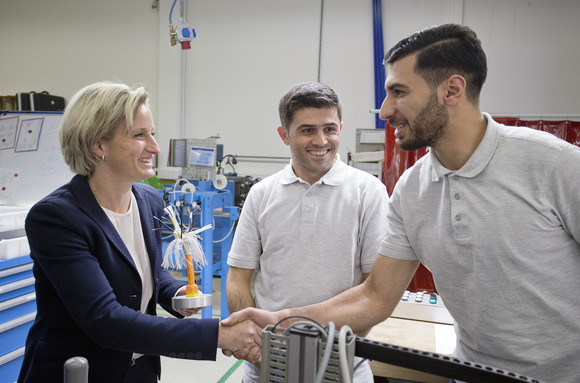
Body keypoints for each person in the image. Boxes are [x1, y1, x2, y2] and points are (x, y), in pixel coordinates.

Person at [223, 24, 580, 382]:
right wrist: (282, 322)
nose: (384, 110)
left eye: (398, 92)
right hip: (469, 371)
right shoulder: (412, 190)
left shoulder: (553, 164)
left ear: (451, 91)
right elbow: (375, 296)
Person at [18, 82, 261, 383]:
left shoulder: (149, 200)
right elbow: (104, 319)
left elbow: (147, 272)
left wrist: (174, 293)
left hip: (140, 370)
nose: (155, 148)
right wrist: (217, 335)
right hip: (79, 372)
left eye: (152, 133)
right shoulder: (57, 218)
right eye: (139, 135)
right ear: (98, 145)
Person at [225, 82, 388, 382]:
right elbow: (238, 279)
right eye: (307, 130)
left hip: (344, 366)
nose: (321, 140)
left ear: (340, 127)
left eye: (330, 129)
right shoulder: (261, 195)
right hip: (267, 365)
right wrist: (258, 344)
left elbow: (376, 288)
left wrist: (339, 348)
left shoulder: (370, 193)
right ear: (284, 134)